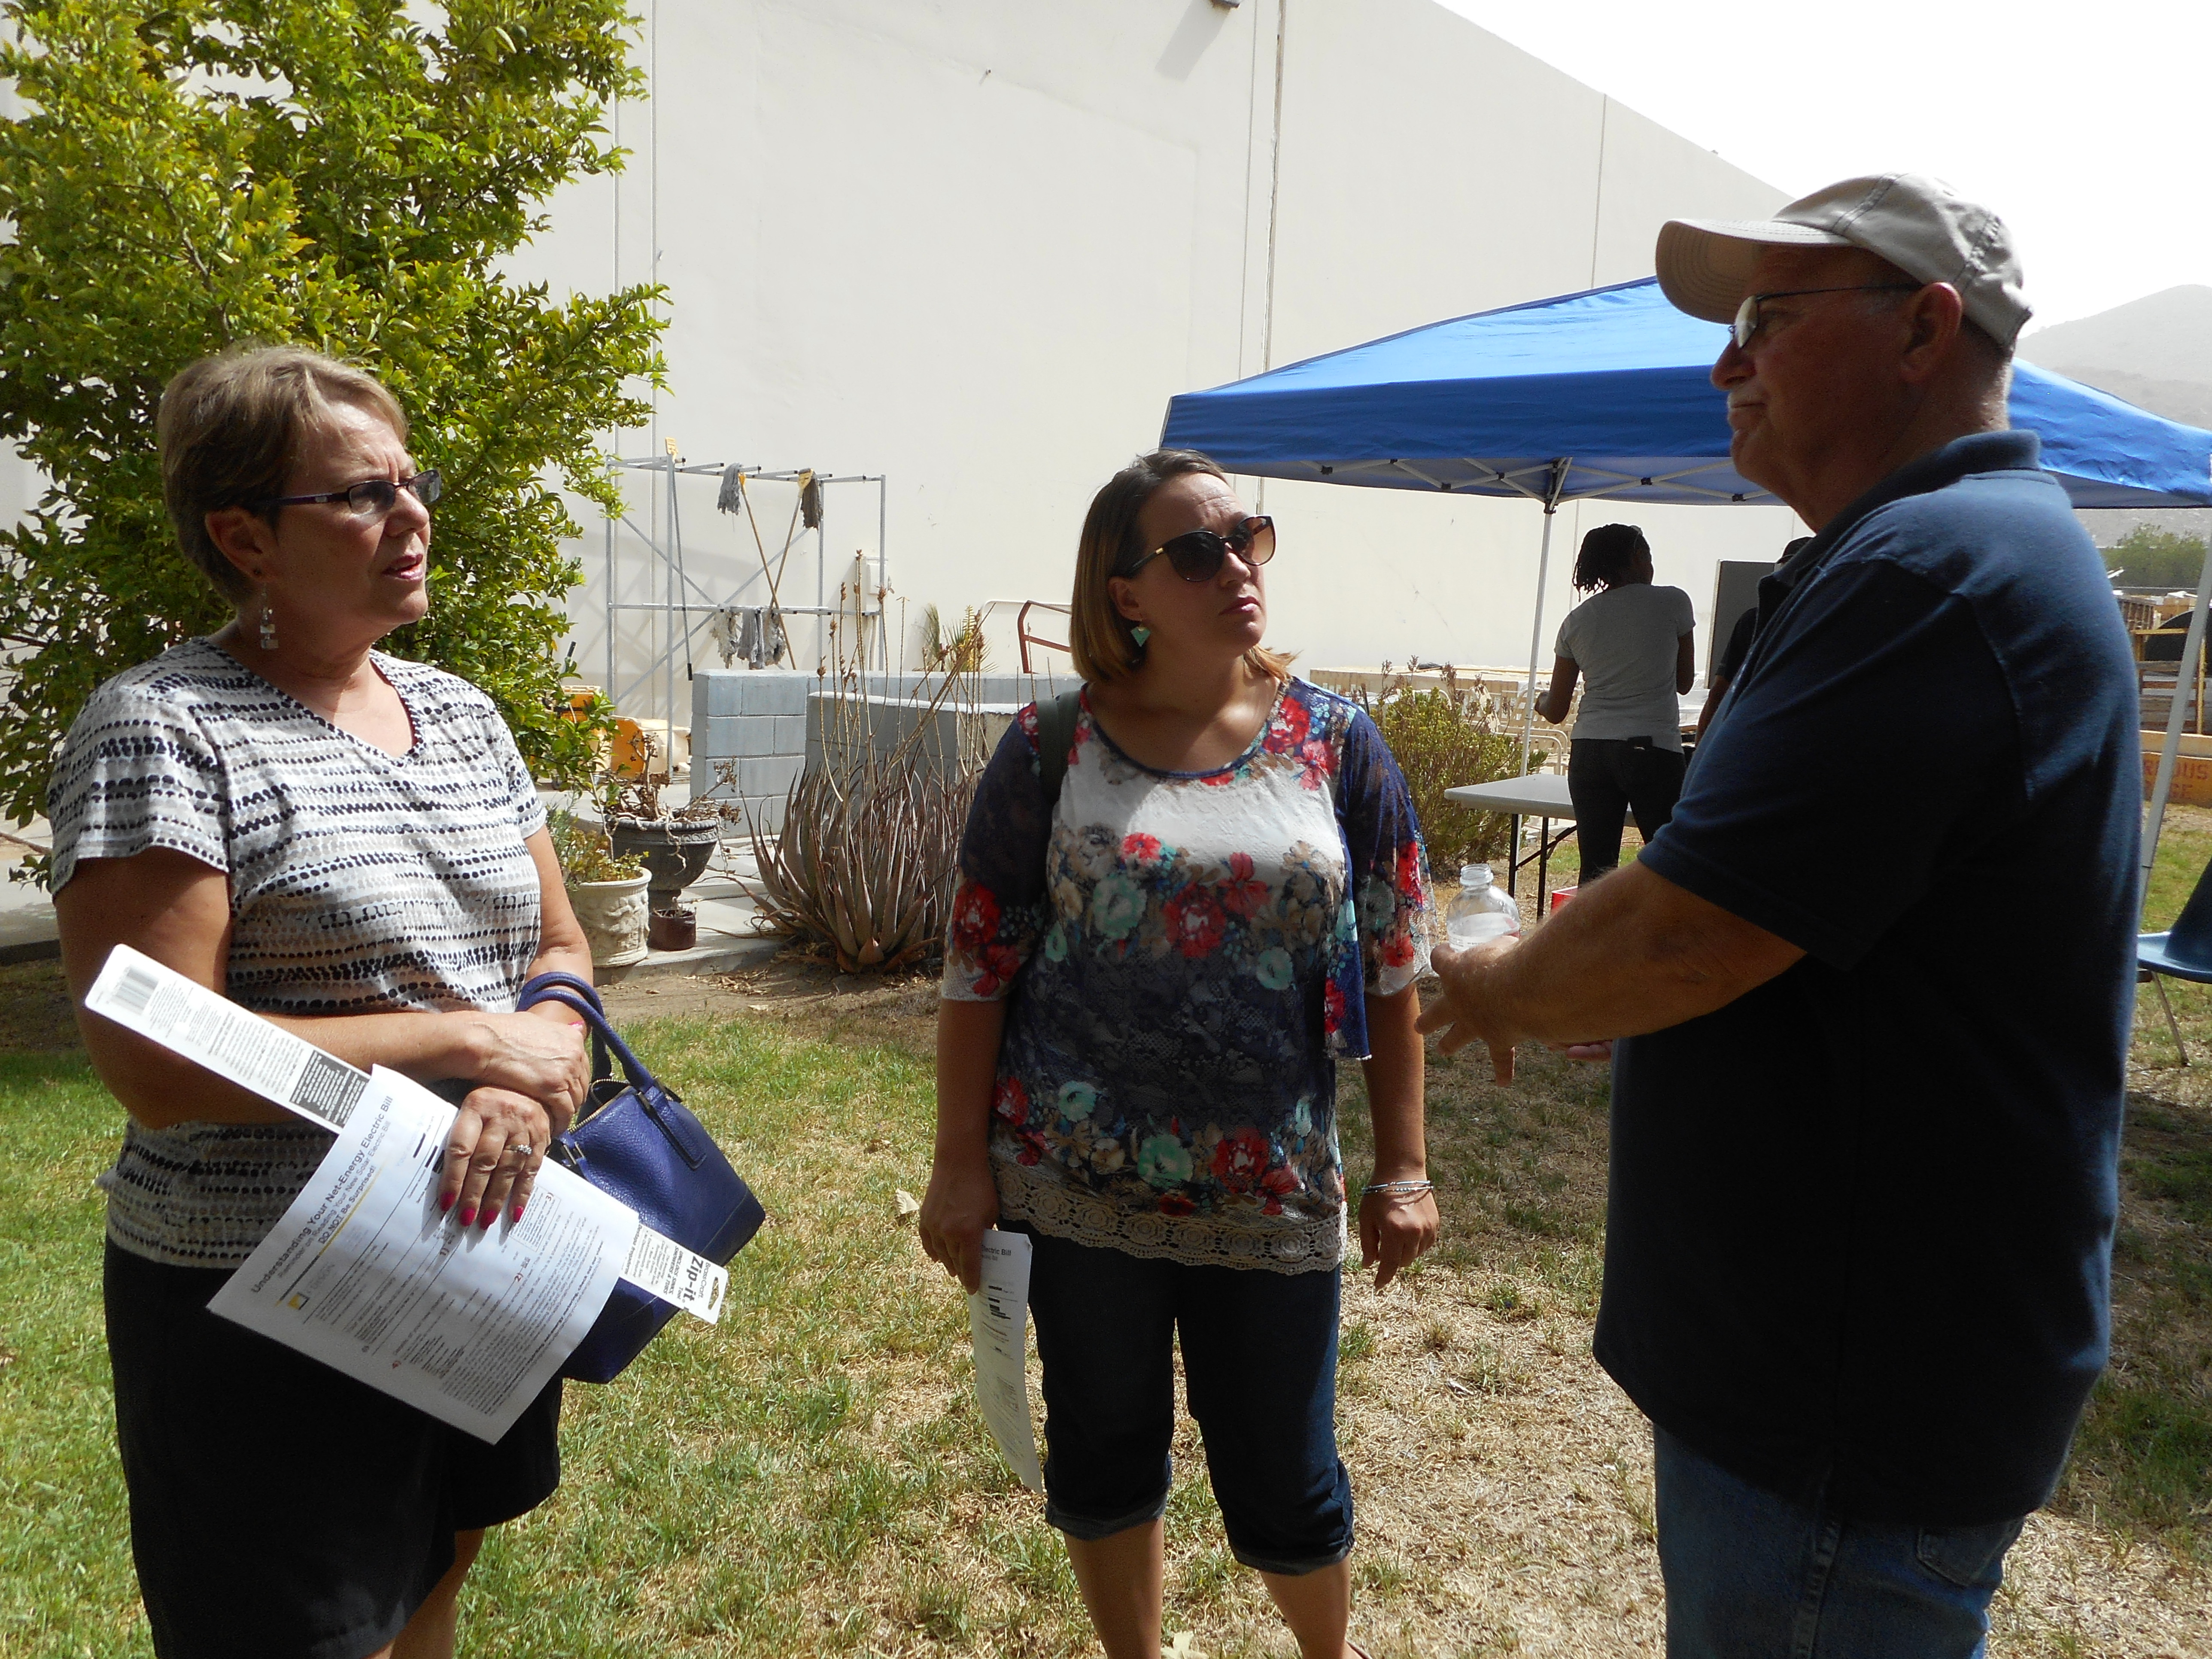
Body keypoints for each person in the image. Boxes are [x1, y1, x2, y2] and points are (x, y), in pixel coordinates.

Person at [1418, 174, 2137, 1657]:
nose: (1722, 364)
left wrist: (1496, 984)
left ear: (1923, 330)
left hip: (1849, 1398)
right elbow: (1791, 925)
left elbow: (1685, 929)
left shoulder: (1936, 572)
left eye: (1765, 320)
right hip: (1857, 1375)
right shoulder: (1941, 554)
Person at [50, 345, 596, 1659]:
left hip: (472, 1242)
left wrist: (538, 1060)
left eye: (415, 483)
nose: (411, 518)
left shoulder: (462, 717)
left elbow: (562, 948)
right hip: (265, 1291)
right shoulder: (163, 729)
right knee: (294, 1628)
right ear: (244, 537)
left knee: (430, 1579)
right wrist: (470, 1042)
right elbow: (156, 1058)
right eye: (362, 496)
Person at [918, 449, 1436, 1659]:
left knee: (1287, 1472)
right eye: (1196, 550)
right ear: (1127, 593)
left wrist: (1403, 1166)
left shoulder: (1337, 743)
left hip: (1273, 1185)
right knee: (1102, 1448)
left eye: (1249, 536)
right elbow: (976, 966)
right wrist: (958, 1163)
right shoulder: (1053, 748)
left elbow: (1398, 964)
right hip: (1074, 1180)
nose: (1237, 566)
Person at [1537, 523, 1695, 881]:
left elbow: (1557, 710)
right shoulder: (1673, 601)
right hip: (1652, 750)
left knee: (1595, 870)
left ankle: (1592, 937)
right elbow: (1685, 683)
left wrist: (1542, 702)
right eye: (1649, 556)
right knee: (1671, 866)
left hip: (1590, 752)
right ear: (1638, 557)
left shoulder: (1577, 621)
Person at [1695, 536, 1811, 739]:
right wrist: (1702, 742)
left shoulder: (1831, 621)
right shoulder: (1754, 621)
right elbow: (1721, 688)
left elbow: (1721, 688)